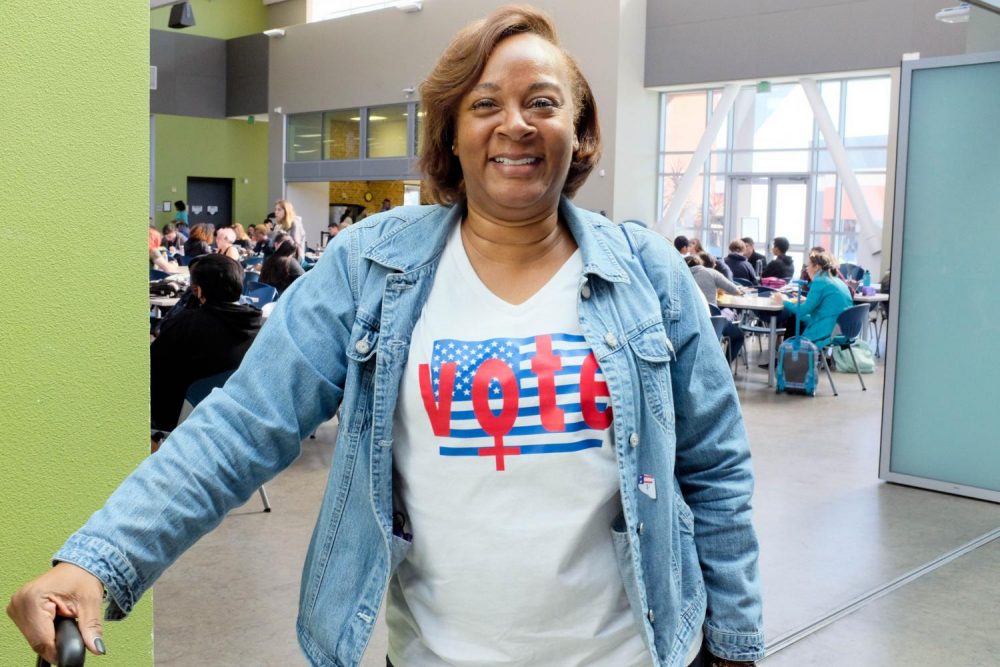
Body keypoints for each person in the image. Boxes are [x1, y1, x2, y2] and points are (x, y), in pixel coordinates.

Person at [8, 8, 763, 667]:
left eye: (543, 102)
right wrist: (101, 561)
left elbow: (716, 468)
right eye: (485, 103)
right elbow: (241, 426)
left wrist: (734, 644)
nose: (516, 124)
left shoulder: (647, 274)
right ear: (452, 133)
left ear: (581, 128)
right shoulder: (372, 267)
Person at [149, 255, 263, 431]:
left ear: (199, 291)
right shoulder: (258, 326)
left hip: (180, 420)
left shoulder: (186, 325)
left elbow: (152, 366)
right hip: (236, 419)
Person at [776, 250, 853, 344]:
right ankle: (791, 351)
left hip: (830, 329)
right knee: (800, 318)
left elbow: (802, 311)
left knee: (796, 316)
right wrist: (807, 300)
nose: (807, 269)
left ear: (817, 267)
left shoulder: (820, 281)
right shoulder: (836, 280)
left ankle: (792, 351)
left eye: (809, 265)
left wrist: (783, 300)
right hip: (843, 329)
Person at [686, 255, 745, 366]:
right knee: (738, 336)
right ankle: (725, 366)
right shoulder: (710, 272)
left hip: (689, 323)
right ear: (701, 264)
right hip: (712, 322)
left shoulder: (680, 276)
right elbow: (735, 290)